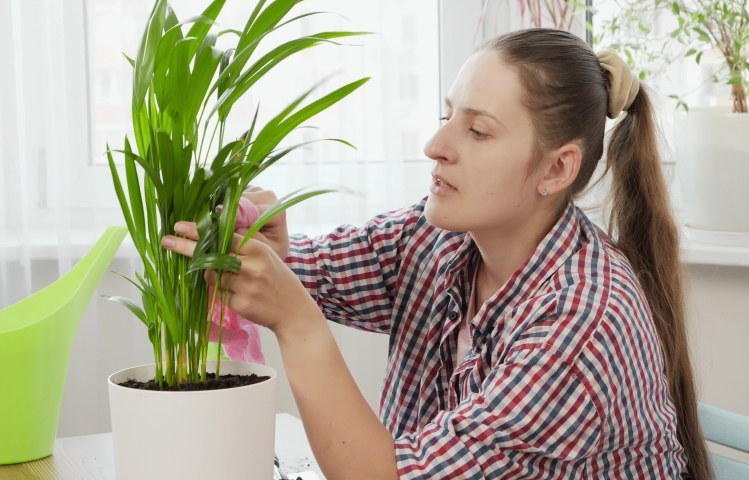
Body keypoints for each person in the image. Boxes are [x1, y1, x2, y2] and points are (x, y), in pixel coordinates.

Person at [162, 29, 712, 479]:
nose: (436, 146)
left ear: (556, 169)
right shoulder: (438, 238)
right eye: (447, 115)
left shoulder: (583, 322)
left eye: (477, 130)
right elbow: (316, 270)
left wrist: (300, 327)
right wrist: (272, 249)